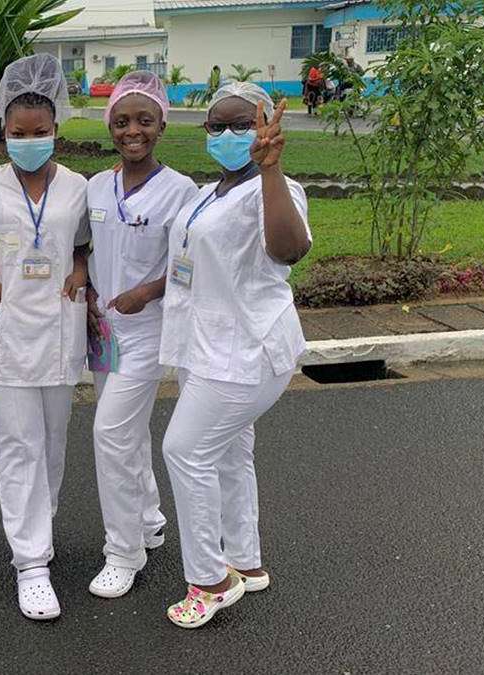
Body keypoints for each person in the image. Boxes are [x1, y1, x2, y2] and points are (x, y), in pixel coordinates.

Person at [158, 82, 311, 629]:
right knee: (228, 451)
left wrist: (271, 169)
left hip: (246, 350)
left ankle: (210, 581)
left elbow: (289, 249)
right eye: (216, 125)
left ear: (264, 127)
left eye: (242, 124)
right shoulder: (209, 191)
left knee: (184, 450)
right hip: (204, 344)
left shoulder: (275, 188)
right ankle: (245, 559)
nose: (228, 134)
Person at [0, 53, 89, 621]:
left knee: (53, 442)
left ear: (56, 128)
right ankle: (31, 562)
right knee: (18, 445)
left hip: (60, 329)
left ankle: (42, 525)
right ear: (3, 130)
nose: (29, 141)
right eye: (19, 132)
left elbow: (83, 243)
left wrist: (81, 269)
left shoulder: (78, 187)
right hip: (8, 330)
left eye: (40, 132)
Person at [84, 71, 198, 600]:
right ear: (110, 127)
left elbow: (189, 266)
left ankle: (123, 552)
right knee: (127, 434)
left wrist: (147, 292)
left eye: (145, 121)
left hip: (147, 331)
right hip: (104, 331)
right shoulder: (95, 187)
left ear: (161, 126)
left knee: (109, 433)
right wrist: (87, 290)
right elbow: (84, 249)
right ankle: (148, 519)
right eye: (122, 121)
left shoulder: (181, 191)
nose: (133, 131)